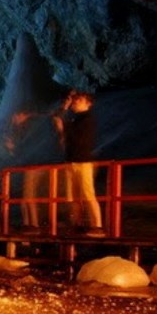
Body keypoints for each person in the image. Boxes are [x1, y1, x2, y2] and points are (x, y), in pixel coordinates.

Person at [53, 91, 104, 236]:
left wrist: (63, 124)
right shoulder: (76, 119)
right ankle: (77, 224)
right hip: (72, 161)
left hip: (83, 162)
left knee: (88, 194)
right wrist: (65, 106)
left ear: (89, 103)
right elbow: (58, 118)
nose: (75, 102)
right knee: (73, 197)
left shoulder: (87, 119)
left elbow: (70, 131)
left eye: (79, 100)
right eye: (75, 100)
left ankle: (97, 226)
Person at [4, 110, 50, 232]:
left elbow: (24, 150)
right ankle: (29, 223)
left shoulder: (28, 129)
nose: (15, 117)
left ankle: (32, 224)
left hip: (33, 166)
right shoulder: (23, 130)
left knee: (28, 197)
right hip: (30, 166)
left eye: (18, 114)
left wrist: (12, 147)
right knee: (27, 197)